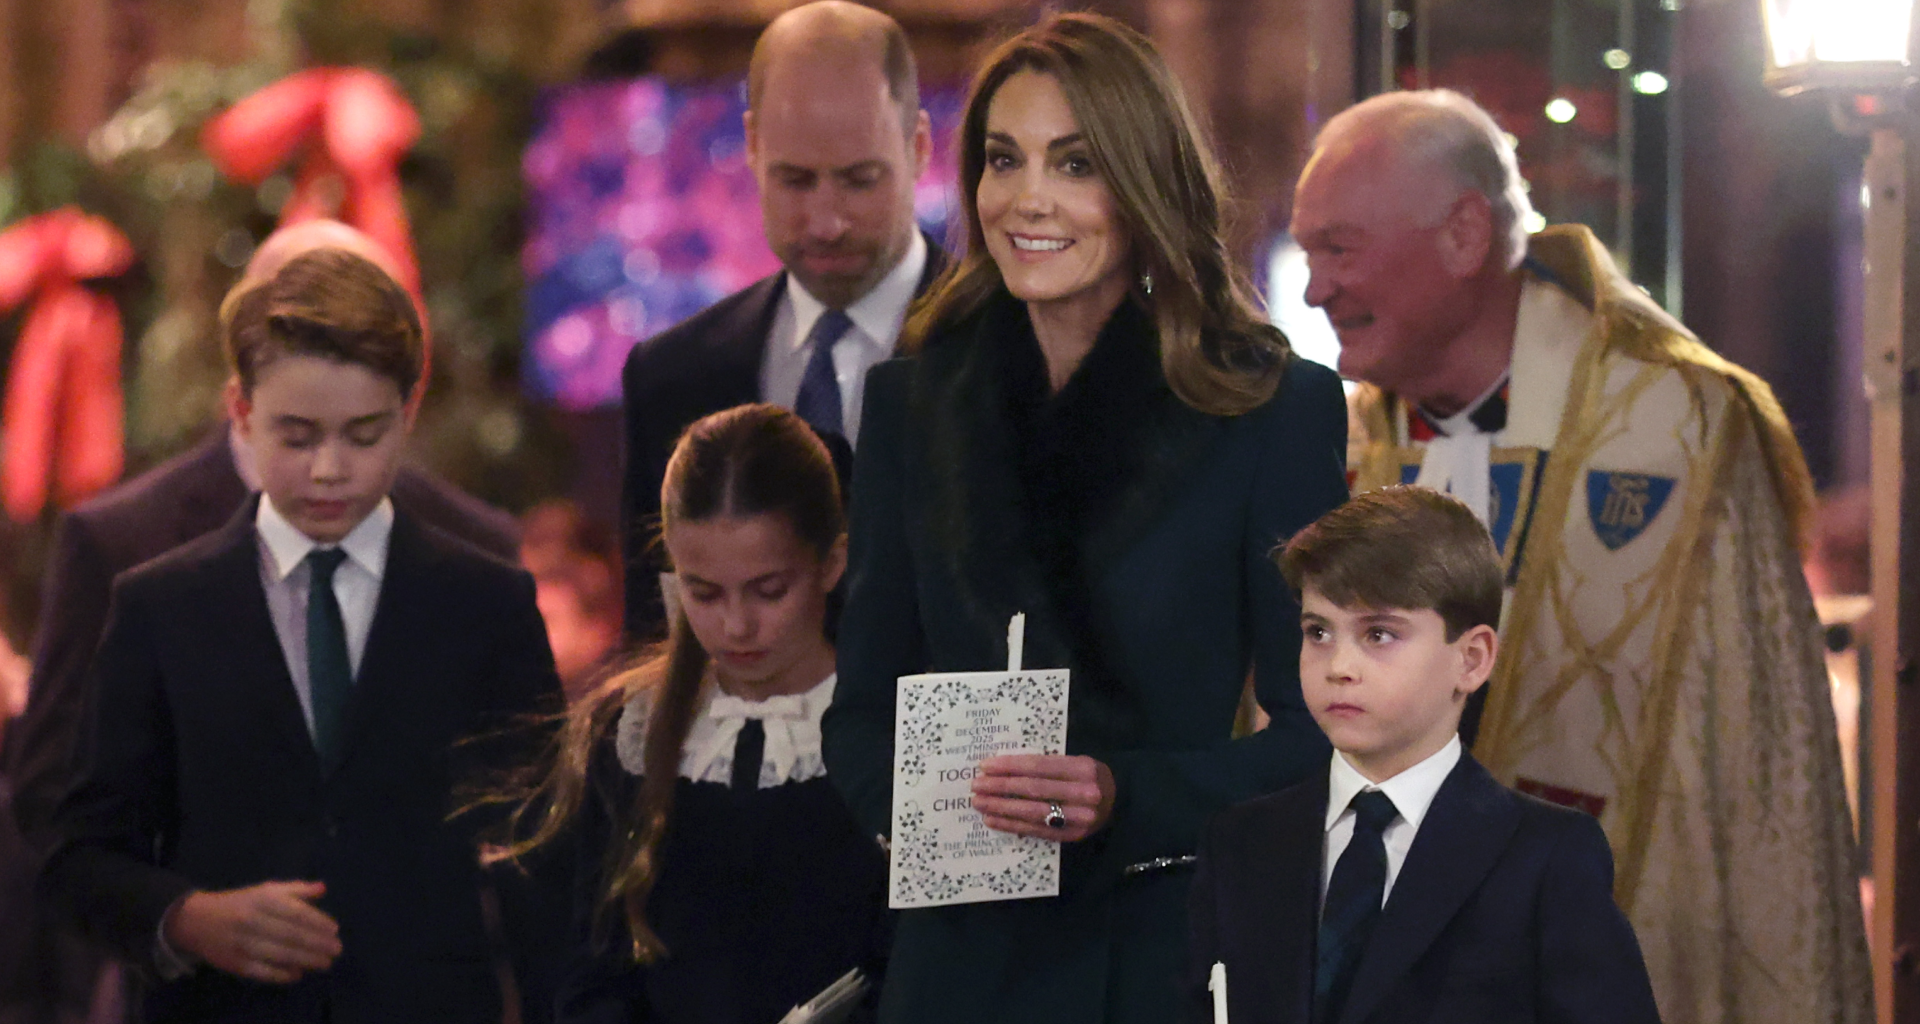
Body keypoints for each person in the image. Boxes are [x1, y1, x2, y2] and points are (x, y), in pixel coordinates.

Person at [1292, 88, 1870, 1022]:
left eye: (1339, 248)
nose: (1316, 287)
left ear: (1463, 235)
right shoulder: (1341, 449)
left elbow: (1763, 794)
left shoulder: (1681, 431)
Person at [821, 14, 1349, 1024]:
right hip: (952, 974)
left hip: (1151, 964)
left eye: (1075, 164)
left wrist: (1123, 799)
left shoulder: (1269, 412)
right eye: (1002, 159)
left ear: (1144, 183)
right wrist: (937, 819)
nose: (1029, 198)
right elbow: (858, 716)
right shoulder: (913, 407)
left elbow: (1323, 738)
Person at [0, 218, 518, 1024]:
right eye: (299, 434)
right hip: (202, 996)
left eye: (362, 432)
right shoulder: (131, 559)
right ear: (242, 399)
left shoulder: (478, 559)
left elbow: (534, 829)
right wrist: (184, 915)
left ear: (404, 397)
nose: (328, 468)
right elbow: (62, 810)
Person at [1186, 486, 1660, 1024]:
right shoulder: (1242, 841)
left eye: (1380, 634)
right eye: (1318, 631)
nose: (1339, 664)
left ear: (1472, 660)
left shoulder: (1546, 860)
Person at [496, 403, 887, 1024]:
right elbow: (587, 974)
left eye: (769, 591)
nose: (736, 626)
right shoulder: (630, 733)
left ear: (832, 564)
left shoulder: (888, 733)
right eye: (703, 592)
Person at [620, 0, 946, 642]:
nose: (826, 221)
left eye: (859, 180)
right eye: (794, 180)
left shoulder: (1011, 346)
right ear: (750, 147)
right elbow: (654, 649)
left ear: (920, 147)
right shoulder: (672, 378)